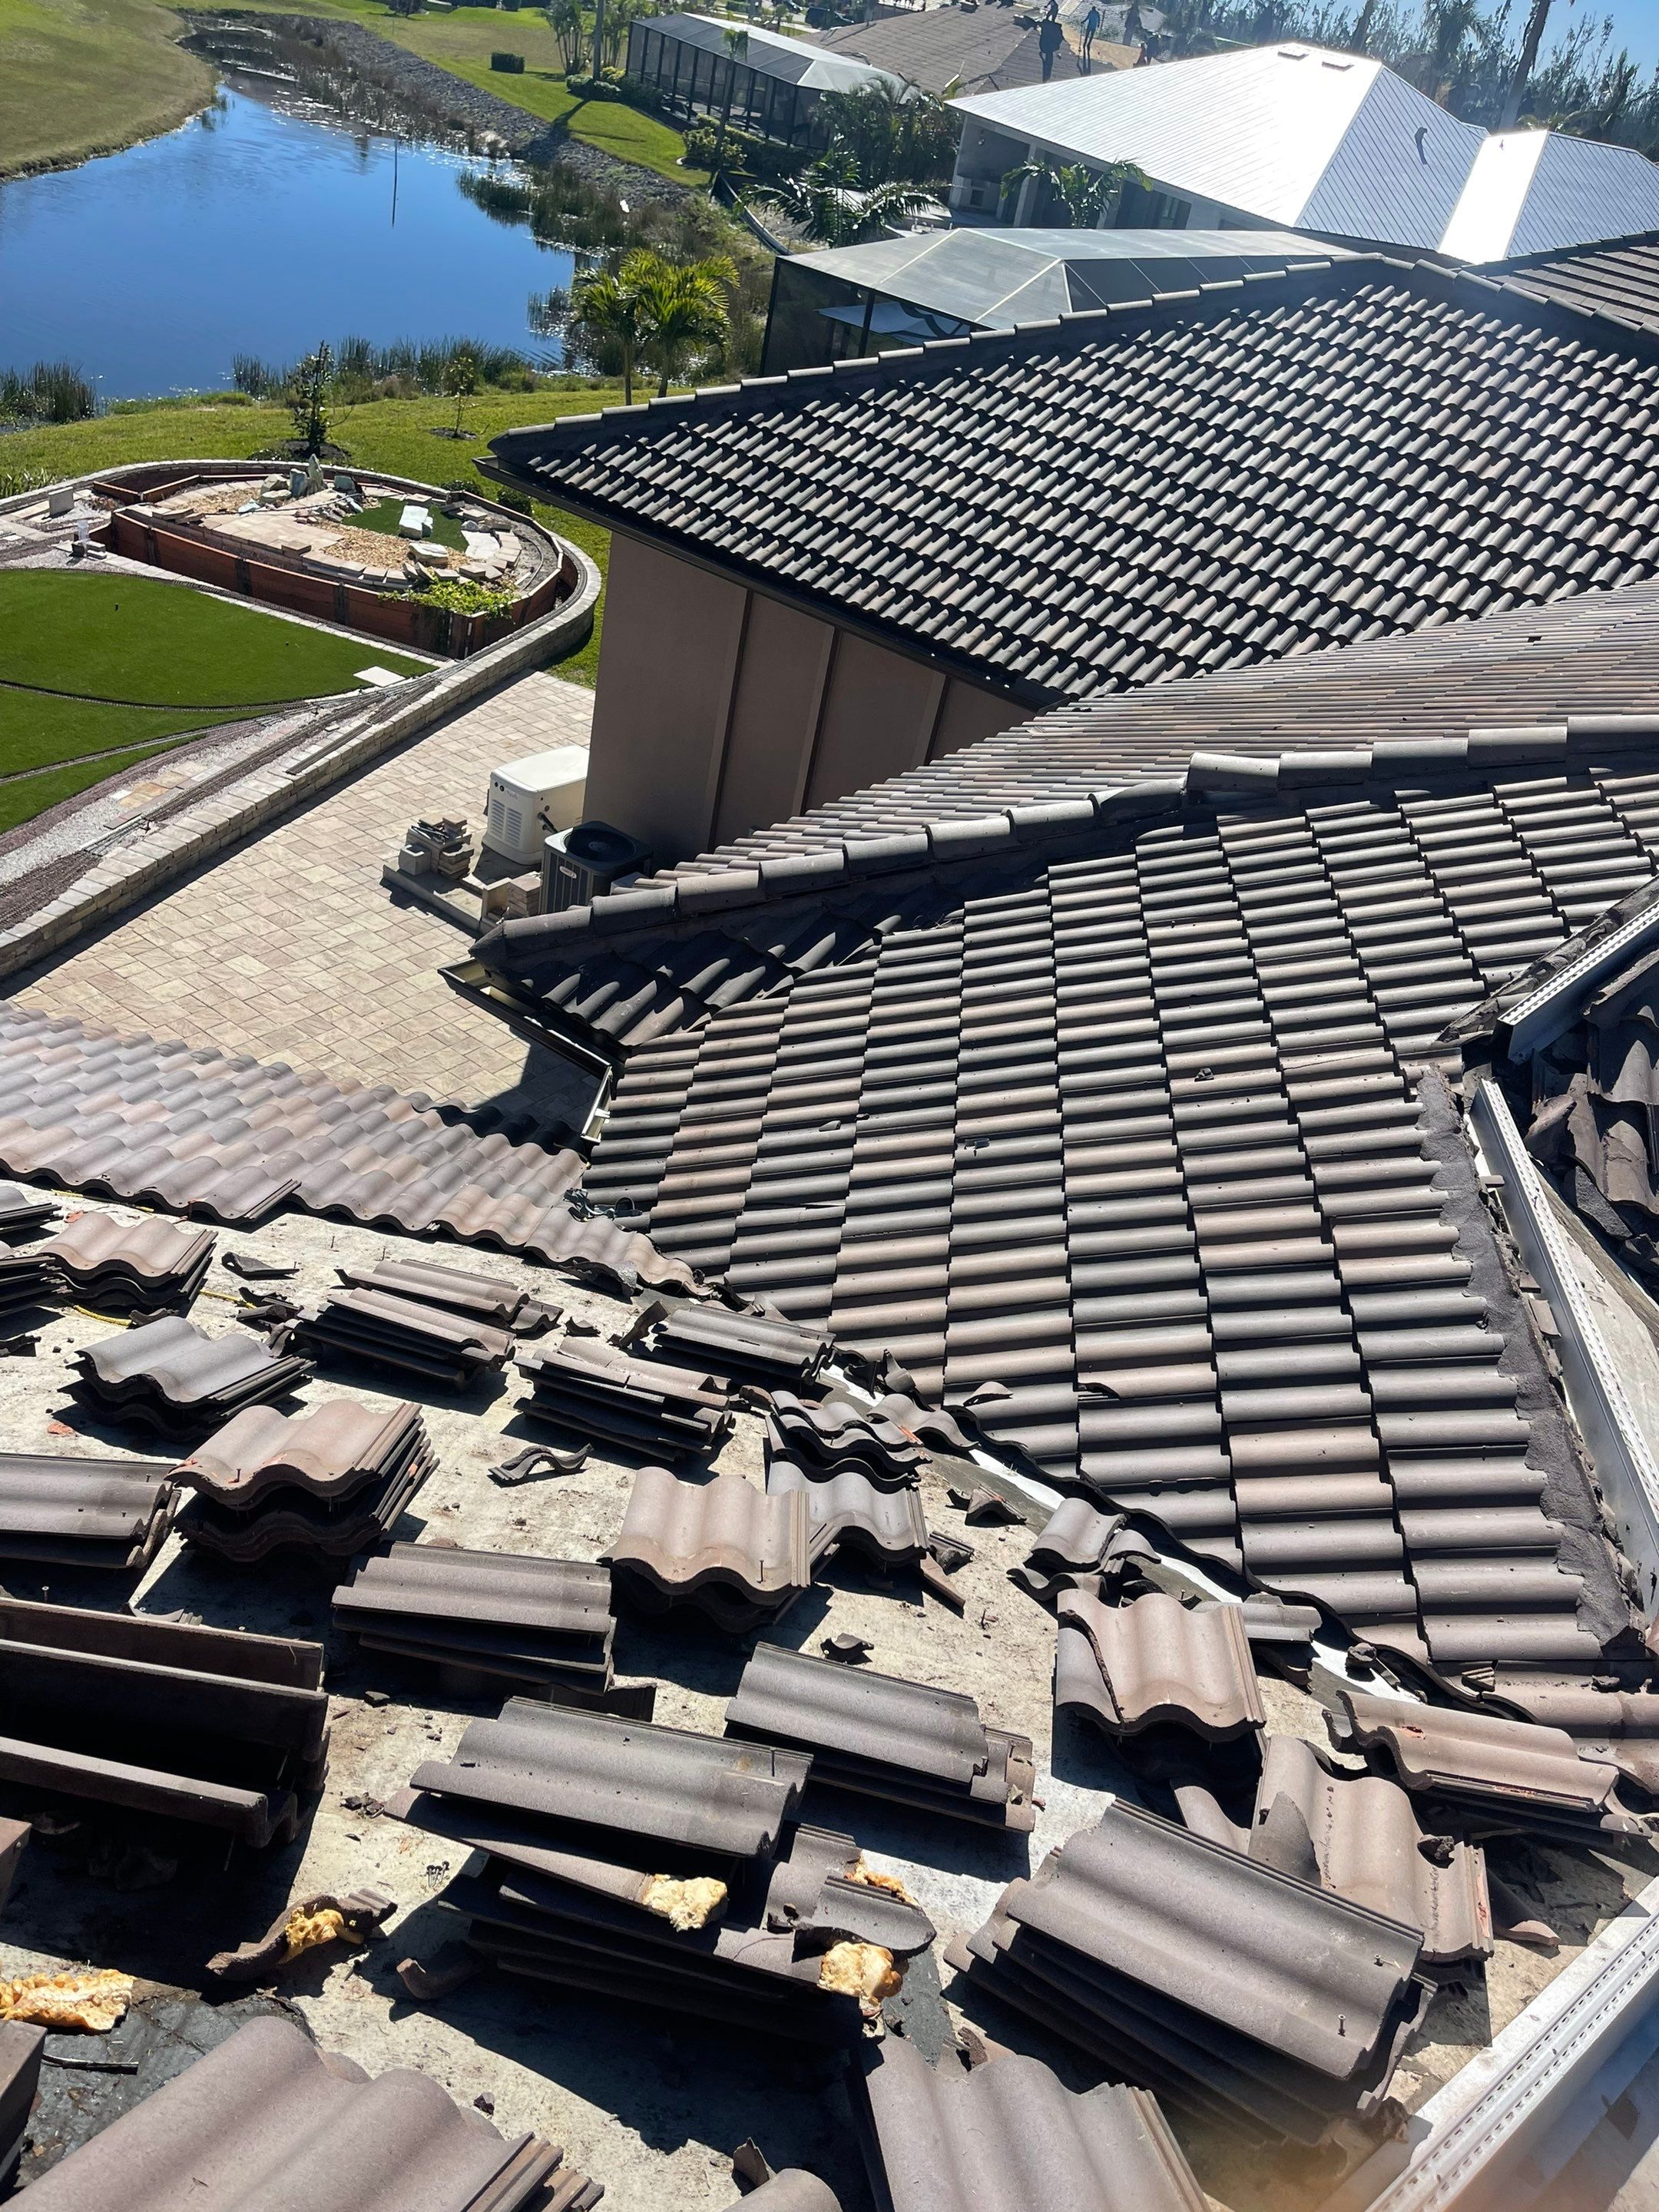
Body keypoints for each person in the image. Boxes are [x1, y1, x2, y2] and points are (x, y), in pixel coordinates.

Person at [1038, 1, 1065, 78]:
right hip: (1049, 48)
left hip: (1049, 48)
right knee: (1051, 18)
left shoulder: (1054, 4)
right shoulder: (1054, 4)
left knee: (1051, 18)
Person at [1081, 2, 1100, 68]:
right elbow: (1099, 19)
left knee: (1087, 35)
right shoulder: (1097, 13)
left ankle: (1085, 43)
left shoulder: (1091, 12)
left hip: (1090, 26)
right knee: (1091, 36)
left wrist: (1083, 21)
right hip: (1094, 26)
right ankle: (1088, 44)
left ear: (1092, 9)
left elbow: (1087, 18)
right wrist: (1098, 25)